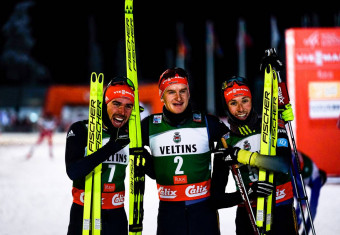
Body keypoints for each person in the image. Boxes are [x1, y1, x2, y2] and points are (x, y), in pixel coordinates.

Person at [141, 67, 273, 235]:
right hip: (169, 213)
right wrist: (146, 163)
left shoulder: (208, 123)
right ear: (161, 95)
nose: (178, 97)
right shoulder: (148, 126)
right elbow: (128, 148)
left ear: (189, 93)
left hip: (203, 213)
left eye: (183, 91)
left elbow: (238, 137)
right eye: (171, 92)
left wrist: (264, 127)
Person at [219, 75, 298, 235]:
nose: (240, 108)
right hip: (247, 216)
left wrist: (244, 156)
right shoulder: (226, 141)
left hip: (281, 210)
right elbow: (216, 199)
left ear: (252, 99)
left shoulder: (273, 125)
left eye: (245, 100)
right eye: (233, 103)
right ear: (226, 106)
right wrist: (247, 193)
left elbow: (283, 164)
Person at [65, 76, 135, 235]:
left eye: (128, 106)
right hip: (84, 212)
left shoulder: (132, 133)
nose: (122, 112)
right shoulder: (81, 129)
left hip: (116, 215)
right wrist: (110, 148)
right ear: (105, 103)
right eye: (116, 104)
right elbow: (73, 171)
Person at [292, 150, 327, 234]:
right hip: (293, 163)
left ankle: (296, 224)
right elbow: (313, 208)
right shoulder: (317, 178)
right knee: (305, 203)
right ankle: (297, 225)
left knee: (301, 201)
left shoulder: (310, 170)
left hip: (289, 159)